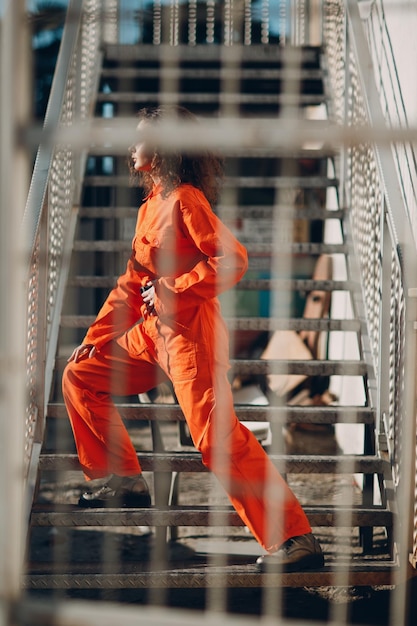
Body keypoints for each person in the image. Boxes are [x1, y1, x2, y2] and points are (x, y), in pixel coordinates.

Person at [62, 105, 324, 573]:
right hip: (149, 332)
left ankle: (295, 540)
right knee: (80, 374)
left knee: (215, 439)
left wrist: (172, 289)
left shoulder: (186, 199)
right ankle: (122, 478)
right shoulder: (148, 208)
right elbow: (130, 283)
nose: (131, 145)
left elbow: (233, 260)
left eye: (139, 137)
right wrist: (96, 336)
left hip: (188, 334)